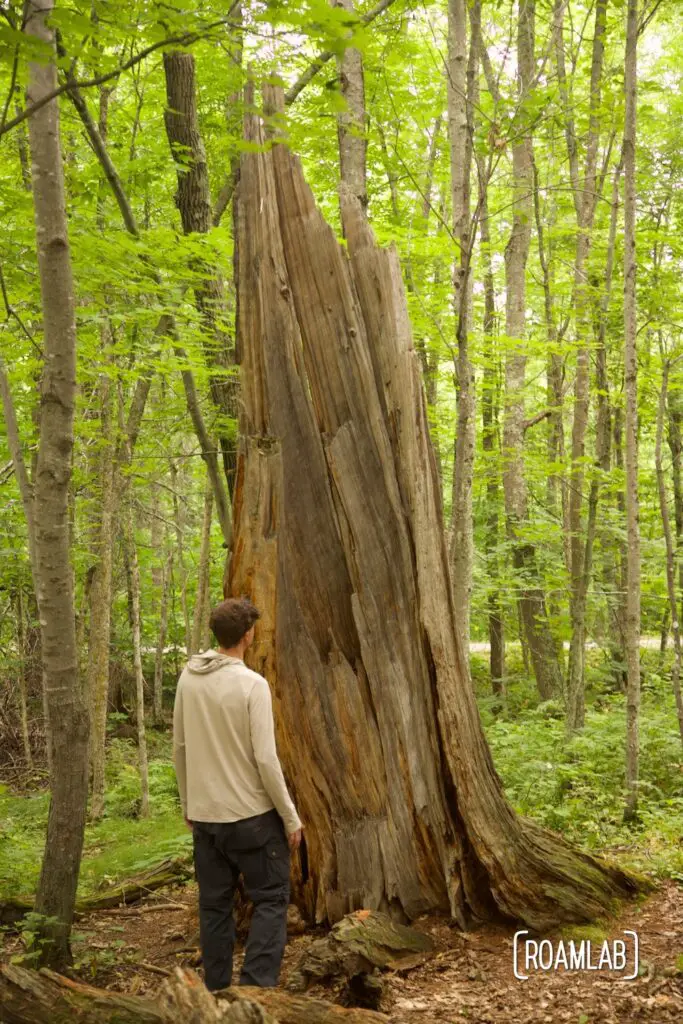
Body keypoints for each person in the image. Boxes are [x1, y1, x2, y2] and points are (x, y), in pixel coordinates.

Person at [173, 597, 302, 991]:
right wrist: (290, 817)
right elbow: (265, 758)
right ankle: (253, 994)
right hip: (252, 818)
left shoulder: (188, 678)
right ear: (248, 635)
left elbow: (179, 748)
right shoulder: (252, 684)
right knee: (271, 899)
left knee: (214, 907)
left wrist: (188, 803)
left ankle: (216, 992)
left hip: (207, 817)